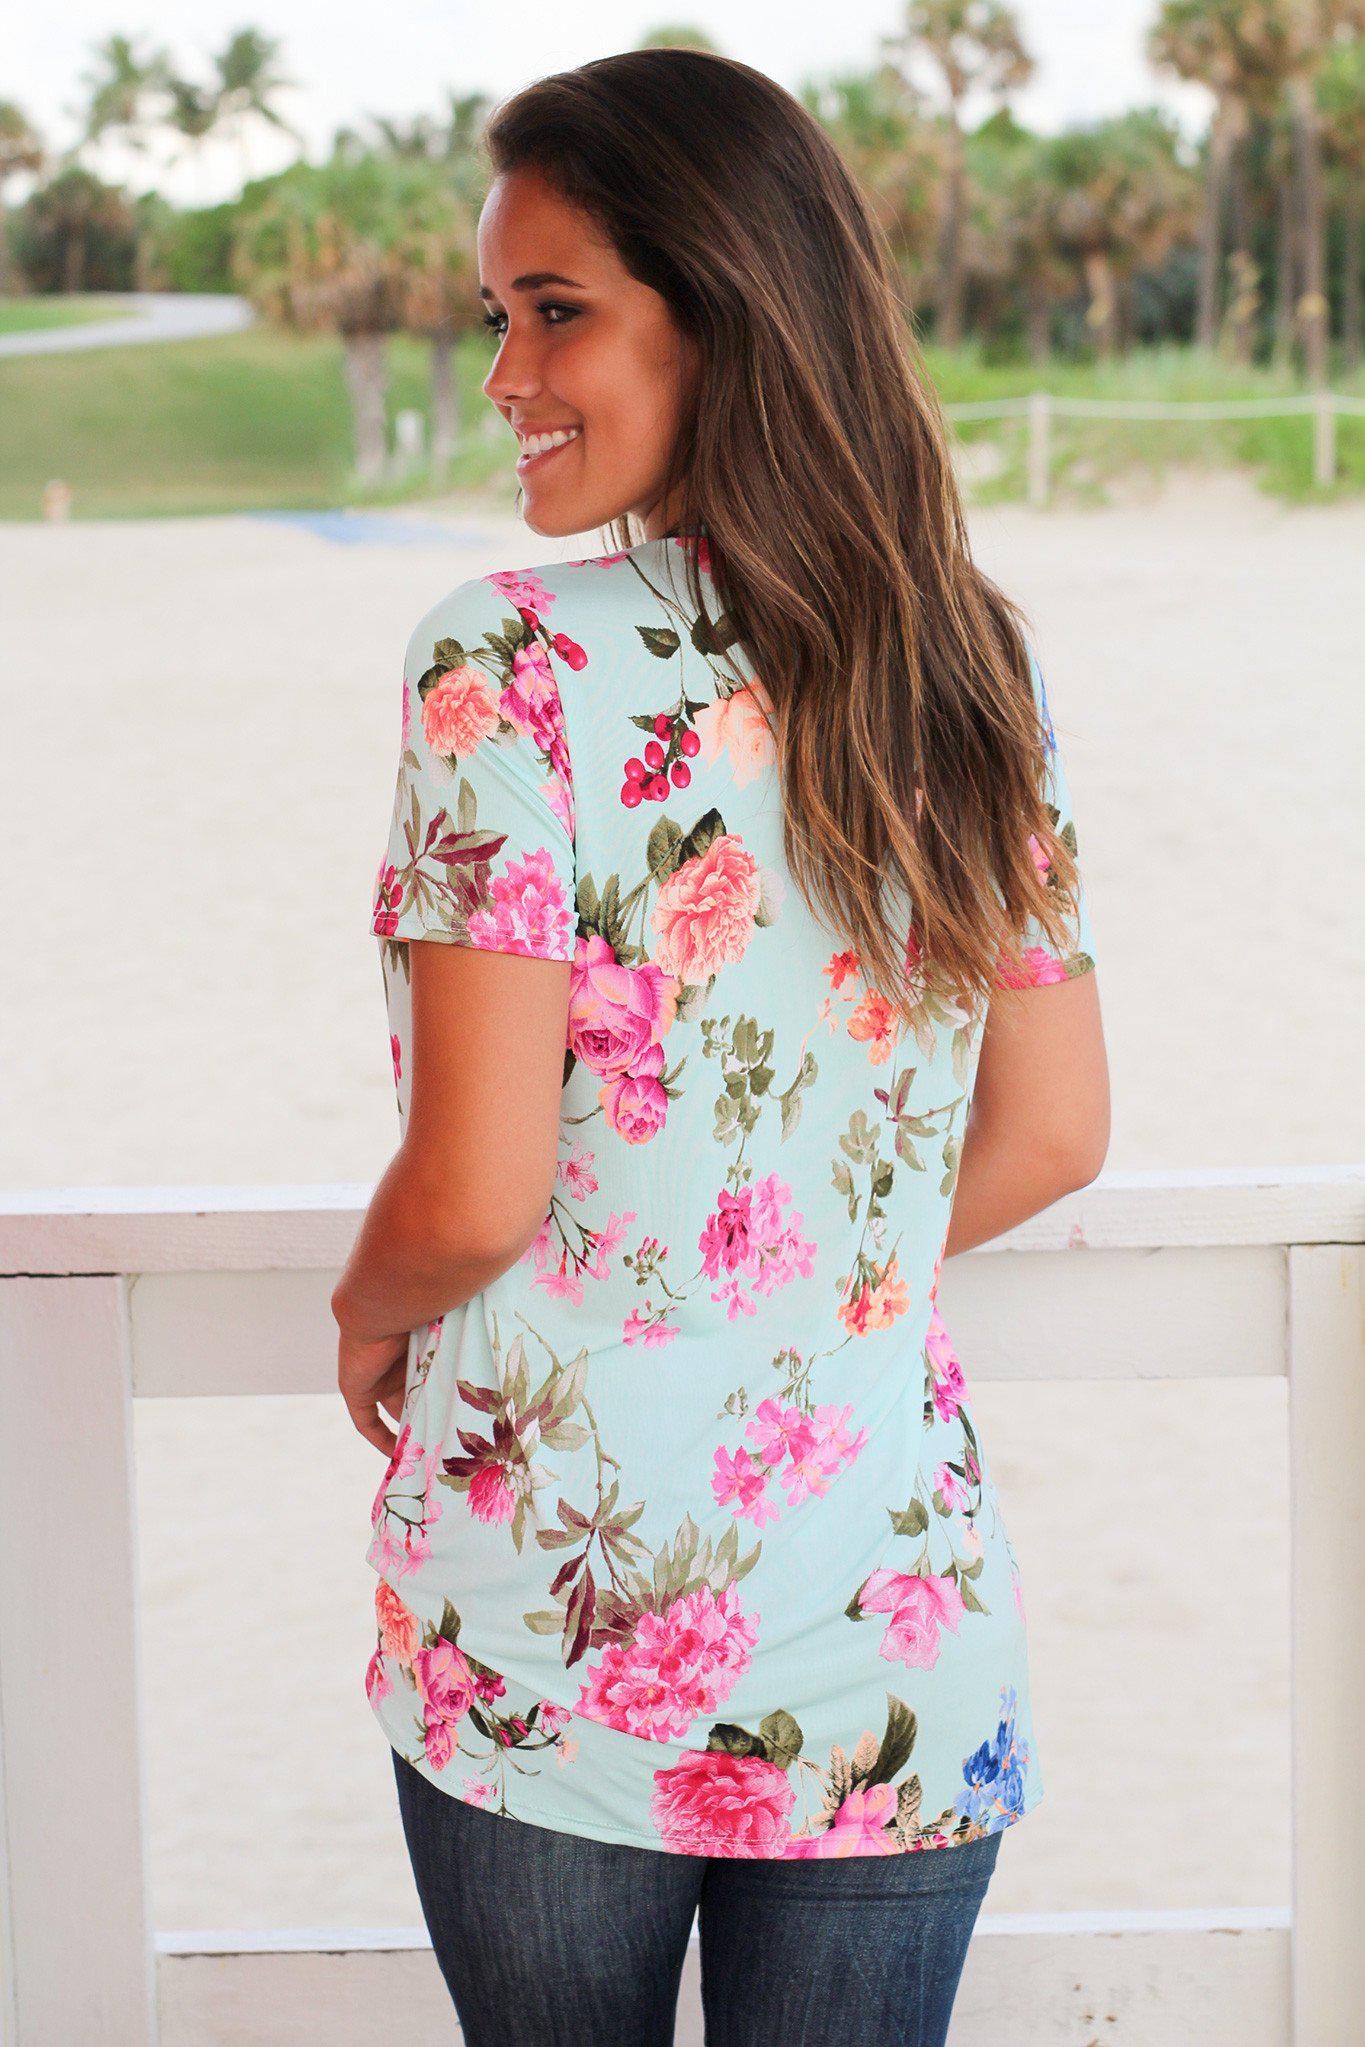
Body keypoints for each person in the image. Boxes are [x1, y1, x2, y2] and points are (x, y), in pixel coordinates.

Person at [331, 46, 1109, 2047]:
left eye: (556, 309)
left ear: (729, 306)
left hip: (556, 1641)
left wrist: (365, 1309)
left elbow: (476, 1186)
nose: (504, 375)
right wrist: (787, 1280)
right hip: (885, 1621)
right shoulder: (961, 656)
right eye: (496, 314)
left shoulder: (501, 662)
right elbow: (1055, 1129)